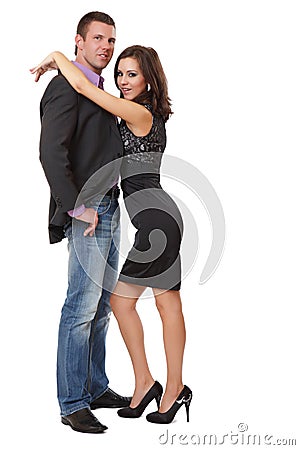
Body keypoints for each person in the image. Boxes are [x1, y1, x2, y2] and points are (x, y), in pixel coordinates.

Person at [31, 44, 192, 425]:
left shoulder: (140, 113)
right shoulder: (138, 113)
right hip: (157, 220)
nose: (123, 80)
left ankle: (164, 387)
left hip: (156, 221)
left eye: (132, 74)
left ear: (149, 78)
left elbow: (87, 90)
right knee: (163, 305)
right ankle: (155, 386)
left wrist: (57, 56)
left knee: (125, 304)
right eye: (120, 74)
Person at [34, 12, 131, 434]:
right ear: (78, 41)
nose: (106, 47)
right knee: (80, 307)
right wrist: (78, 207)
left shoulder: (95, 89)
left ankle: (95, 385)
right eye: (98, 38)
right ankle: (72, 402)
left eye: (111, 40)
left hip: (111, 207)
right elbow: (51, 155)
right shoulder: (65, 88)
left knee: (104, 306)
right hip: (88, 213)